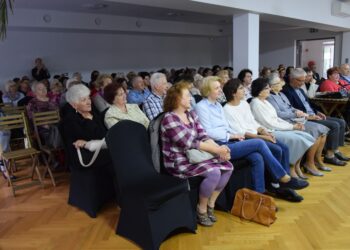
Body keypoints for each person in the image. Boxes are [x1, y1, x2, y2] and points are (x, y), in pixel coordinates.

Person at [195, 76, 308, 197]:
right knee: (259, 143)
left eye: (219, 87)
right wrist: (232, 135)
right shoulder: (202, 106)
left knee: (257, 157)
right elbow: (208, 132)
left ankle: (259, 196)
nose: (220, 90)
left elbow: (227, 126)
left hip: (230, 140)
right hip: (218, 145)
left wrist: (241, 134)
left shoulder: (217, 105)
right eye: (216, 88)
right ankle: (282, 178)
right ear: (208, 90)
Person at [161, 82, 233, 227]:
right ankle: (201, 209)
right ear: (177, 99)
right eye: (187, 96)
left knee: (228, 167)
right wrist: (218, 150)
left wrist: (221, 149)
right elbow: (189, 143)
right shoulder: (169, 118)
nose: (191, 98)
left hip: (194, 156)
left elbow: (203, 135)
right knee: (214, 173)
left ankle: (211, 204)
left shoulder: (191, 114)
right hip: (179, 161)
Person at [250, 78, 317, 178]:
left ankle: (296, 165)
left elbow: (276, 118)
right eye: (267, 88)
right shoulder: (256, 103)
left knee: (307, 136)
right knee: (298, 140)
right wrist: (291, 127)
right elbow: (269, 123)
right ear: (260, 92)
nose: (269, 90)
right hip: (270, 131)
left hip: (278, 127)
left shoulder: (265, 102)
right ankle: (291, 167)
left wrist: (293, 126)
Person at [267, 73, 330, 176]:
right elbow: (278, 114)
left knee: (323, 132)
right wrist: (295, 113)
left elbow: (290, 107)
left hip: (296, 119)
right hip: (288, 121)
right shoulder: (270, 97)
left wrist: (301, 113)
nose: (282, 84)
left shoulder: (281, 94)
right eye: (279, 82)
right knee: (317, 130)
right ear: (272, 85)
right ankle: (308, 163)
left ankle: (316, 161)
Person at [282, 68, 349, 166]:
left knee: (341, 122)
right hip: (305, 118)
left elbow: (309, 104)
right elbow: (293, 109)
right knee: (334, 125)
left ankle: (335, 150)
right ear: (292, 79)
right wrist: (309, 116)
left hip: (313, 114)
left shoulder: (300, 89)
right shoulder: (286, 91)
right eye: (300, 80)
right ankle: (329, 156)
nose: (302, 83)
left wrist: (317, 112)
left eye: (303, 80)